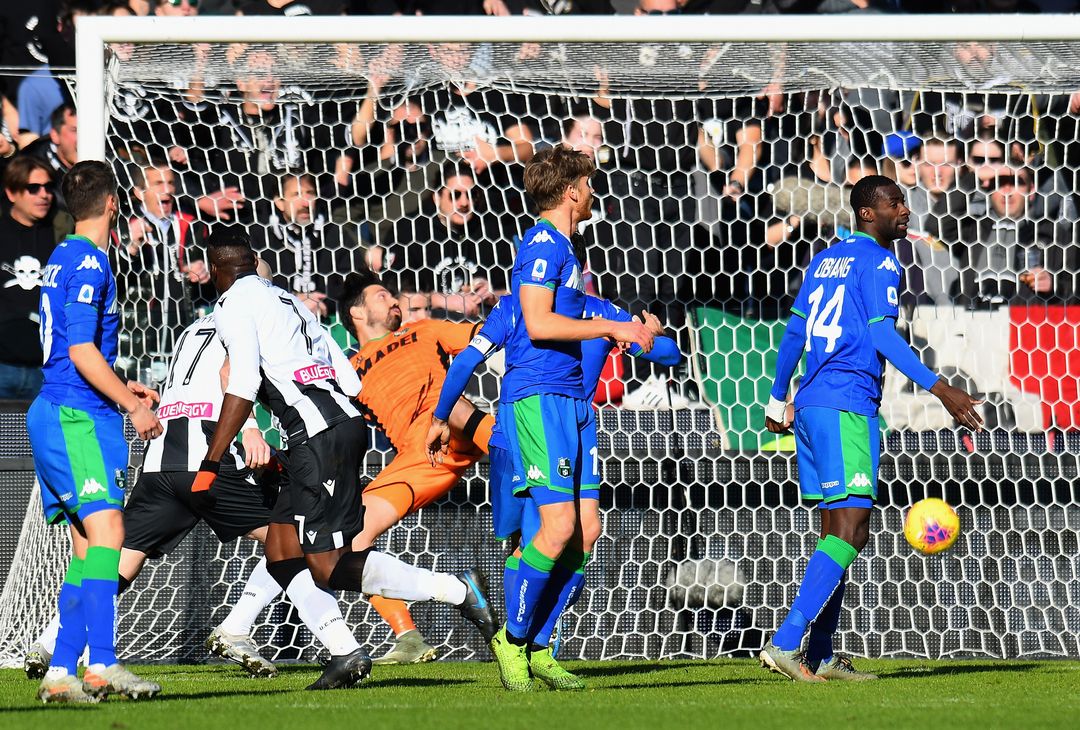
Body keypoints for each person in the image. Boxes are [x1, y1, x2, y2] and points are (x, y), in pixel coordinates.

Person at [196, 227, 497, 689]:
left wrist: (213, 461)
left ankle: (456, 591)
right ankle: (341, 651)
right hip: (334, 429)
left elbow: (240, 383)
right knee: (283, 547)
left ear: (216, 270)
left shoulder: (233, 302)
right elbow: (348, 379)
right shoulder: (289, 300)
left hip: (323, 434)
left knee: (328, 565)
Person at [759, 175, 984, 682]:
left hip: (811, 404)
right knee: (852, 528)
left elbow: (795, 330)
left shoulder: (824, 259)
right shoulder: (882, 262)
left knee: (839, 533)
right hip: (846, 404)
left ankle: (820, 652)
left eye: (903, 202)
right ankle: (787, 642)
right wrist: (939, 387)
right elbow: (882, 333)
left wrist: (776, 398)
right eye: (894, 203)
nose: (904, 211)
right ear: (867, 212)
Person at [427, 293, 680, 685]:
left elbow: (669, 354)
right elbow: (466, 360)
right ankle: (520, 644)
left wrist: (651, 335)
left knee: (583, 532)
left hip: (573, 427)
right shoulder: (518, 306)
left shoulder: (600, 312)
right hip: (522, 430)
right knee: (539, 538)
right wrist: (440, 417)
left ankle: (535, 645)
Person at [472, 145, 653, 692]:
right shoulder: (542, 243)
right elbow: (538, 322)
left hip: (573, 400)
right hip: (539, 398)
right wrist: (612, 328)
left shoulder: (567, 249)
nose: (594, 191)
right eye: (589, 183)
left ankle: (542, 647)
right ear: (572, 191)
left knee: (586, 530)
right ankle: (512, 640)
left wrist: (636, 330)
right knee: (557, 529)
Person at [27, 160, 164, 703]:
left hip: (63, 408)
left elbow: (72, 348)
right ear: (113, 203)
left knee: (87, 547)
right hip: (76, 416)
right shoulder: (90, 263)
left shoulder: (61, 256)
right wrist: (132, 405)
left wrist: (121, 385)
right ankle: (102, 663)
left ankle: (62, 671)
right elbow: (82, 351)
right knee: (109, 533)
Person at [339, 272, 497, 664]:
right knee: (349, 539)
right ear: (356, 312)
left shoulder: (423, 329)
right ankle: (408, 638)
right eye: (381, 295)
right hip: (418, 459)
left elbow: (488, 335)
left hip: (450, 426)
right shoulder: (347, 371)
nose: (394, 300)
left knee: (452, 404)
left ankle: (522, 459)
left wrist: (504, 310)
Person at [0, 157, 68, 399]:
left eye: (48, 187)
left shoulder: (63, 232)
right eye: (33, 188)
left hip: (47, 368)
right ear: (11, 193)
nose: (44, 195)